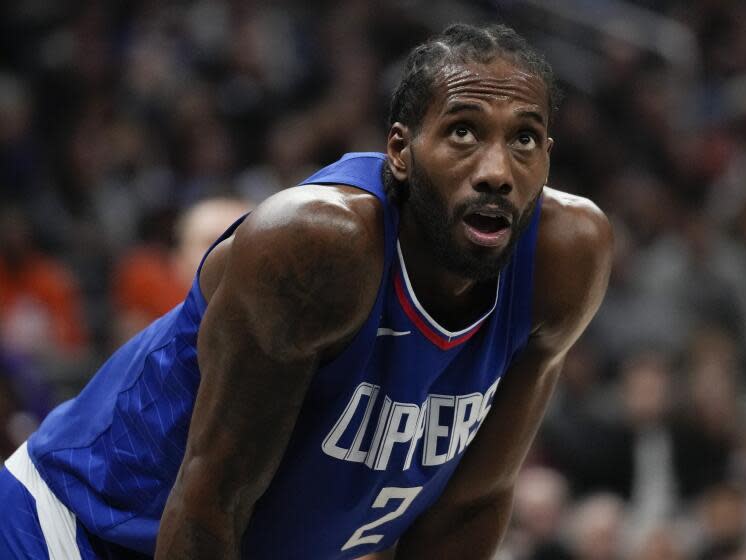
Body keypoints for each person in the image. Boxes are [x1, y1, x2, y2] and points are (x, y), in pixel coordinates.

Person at [0, 23, 612, 559]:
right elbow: (215, 499)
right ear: (400, 151)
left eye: (524, 139)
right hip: (79, 530)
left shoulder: (565, 259)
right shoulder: (319, 246)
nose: (497, 172)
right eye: (462, 133)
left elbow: (470, 506)